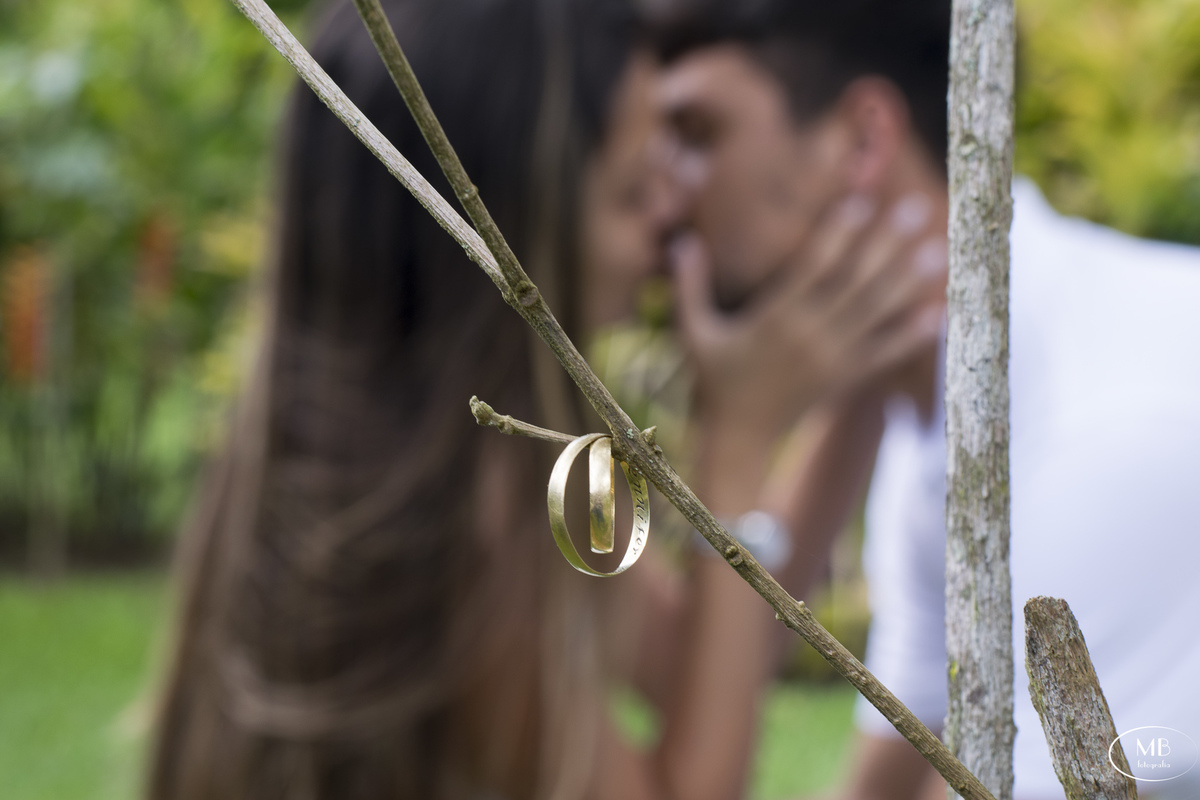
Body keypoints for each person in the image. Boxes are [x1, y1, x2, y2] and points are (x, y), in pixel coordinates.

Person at [650, 2, 1200, 799]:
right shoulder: (945, 414)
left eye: (699, 137)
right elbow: (896, 763)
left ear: (865, 138)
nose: (662, 197)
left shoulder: (1100, 434)